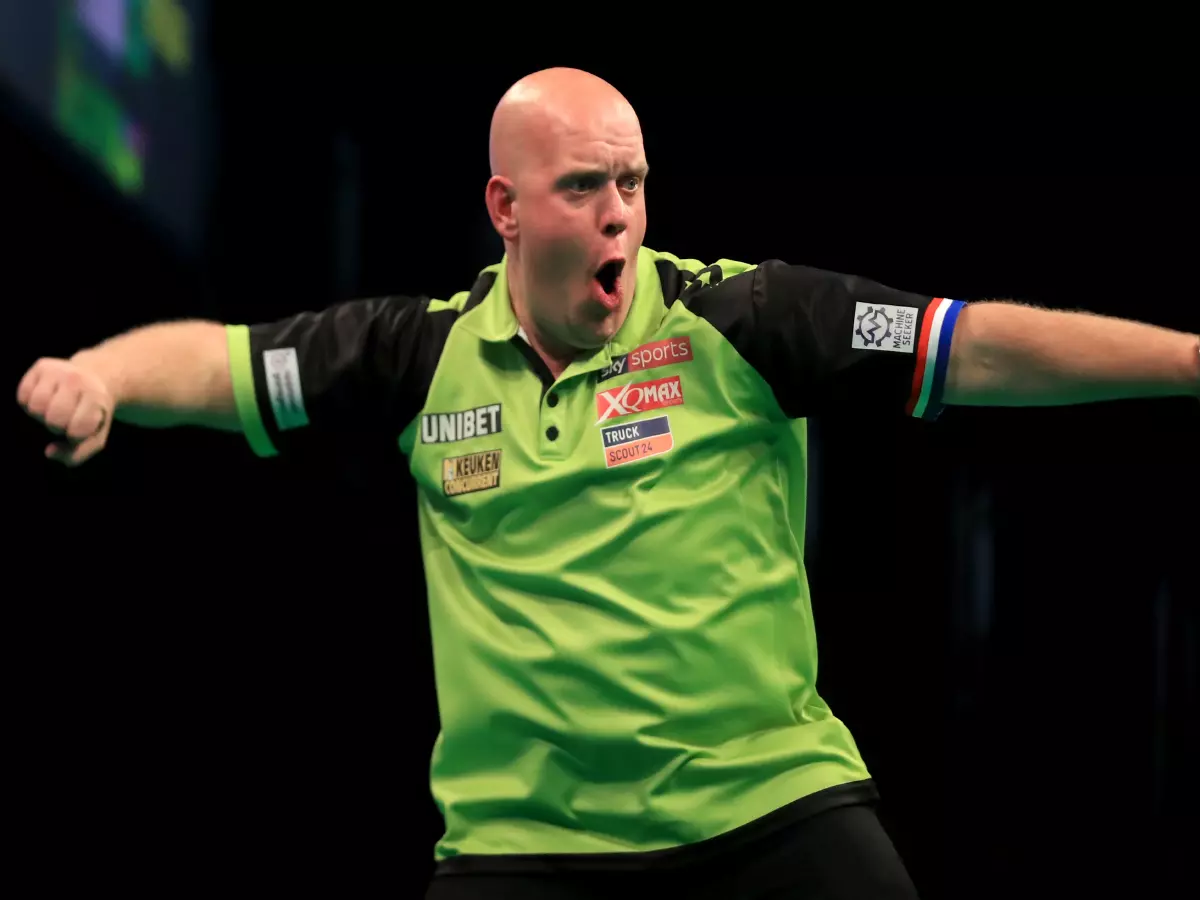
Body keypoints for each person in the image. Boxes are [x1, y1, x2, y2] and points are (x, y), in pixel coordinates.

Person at [15, 68, 1200, 899]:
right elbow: (224, 363)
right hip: (524, 849)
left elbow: (976, 343)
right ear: (506, 210)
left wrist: (1194, 364)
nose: (620, 215)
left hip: (769, 812)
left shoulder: (742, 317)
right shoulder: (415, 354)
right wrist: (98, 376)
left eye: (633, 183)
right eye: (584, 187)